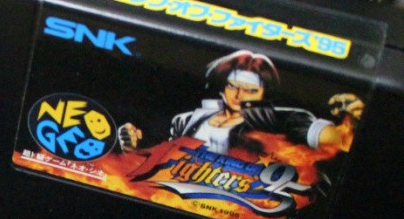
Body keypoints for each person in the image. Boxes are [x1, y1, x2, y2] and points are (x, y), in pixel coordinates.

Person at [117, 49, 362, 156]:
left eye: (250, 90)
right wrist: (133, 149)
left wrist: (350, 127)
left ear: (264, 94)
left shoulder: (277, 118)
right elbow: (160, 163)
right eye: (233, 86)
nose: (239, 95)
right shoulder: (187, 120)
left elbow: (332, 138)